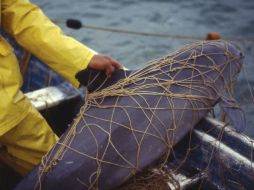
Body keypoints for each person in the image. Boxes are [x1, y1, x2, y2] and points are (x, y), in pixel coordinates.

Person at [0, 0, 122, 176]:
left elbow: (18, 12)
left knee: (63, 174)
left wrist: (83, 59)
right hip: (9, 108)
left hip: (9, 107)